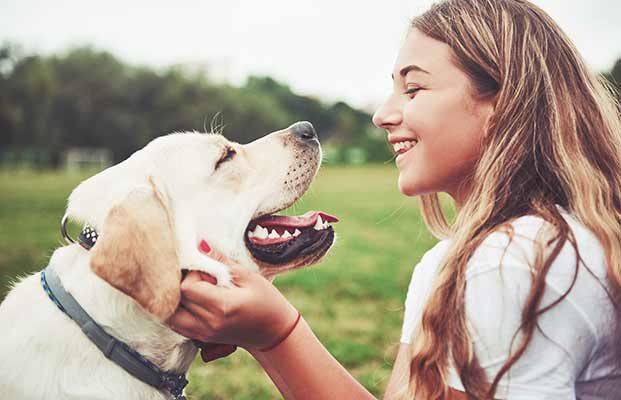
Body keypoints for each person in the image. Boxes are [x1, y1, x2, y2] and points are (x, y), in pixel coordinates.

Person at [167, 0, 621, 398]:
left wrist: (275, 333)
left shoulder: (513, 262)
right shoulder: (452, 263)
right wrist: (268, 332)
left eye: (415, 88)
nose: (383, 115)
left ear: (505, 104)